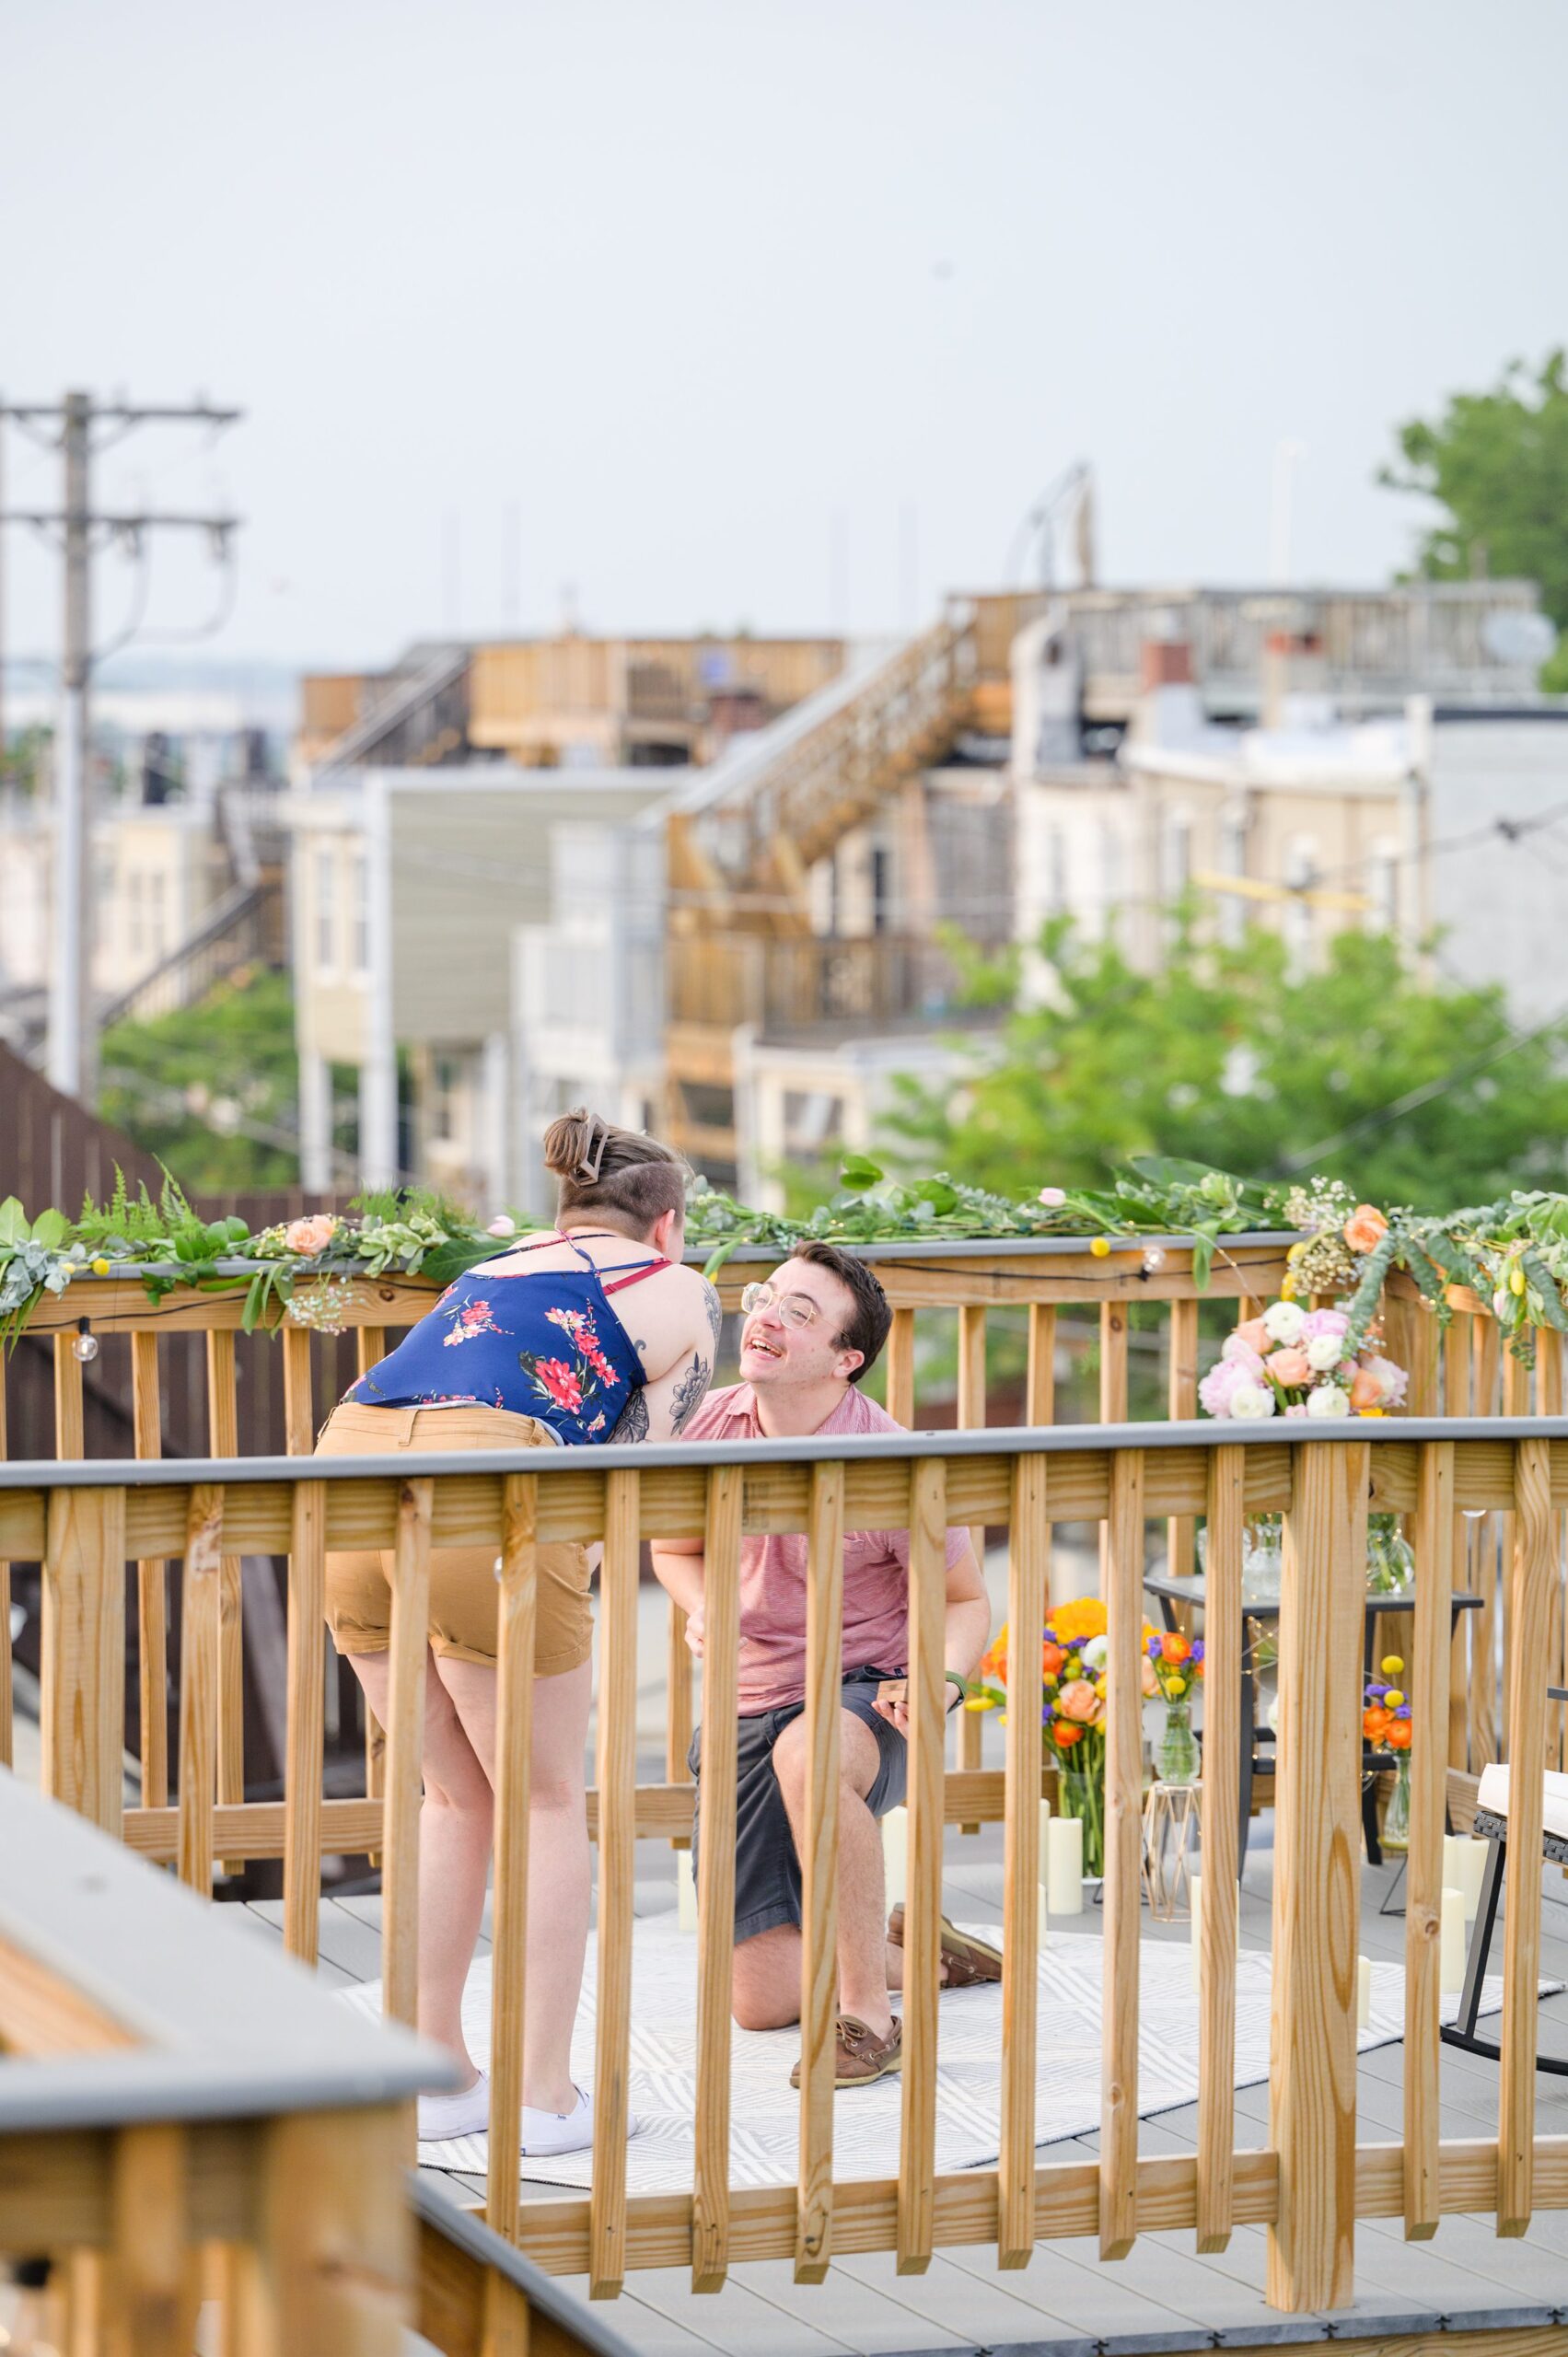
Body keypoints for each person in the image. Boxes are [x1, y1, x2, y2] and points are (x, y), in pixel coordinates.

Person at [316, 1109, 719, 2153]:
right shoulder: (677, 1288)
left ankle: (434, 2077)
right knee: (543, 1800)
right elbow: (649, 1468)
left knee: (451, 1794)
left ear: (567, 1204)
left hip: (338, 1475)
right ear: (665, 1222)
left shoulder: (495, 1266)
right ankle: (543, 2098)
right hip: (493, 1482)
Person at [649, 1240, 998, 2090]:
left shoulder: (893, 1460)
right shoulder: (707, 1424)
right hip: (750, 1701)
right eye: (765, 1298)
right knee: (760, 2002)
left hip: (867, 1698)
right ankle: (914, 1950)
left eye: (798, 1313)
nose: (764, 1317)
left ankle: (869, 2023)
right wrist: (704, 1608)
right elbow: (672, 1548)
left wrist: (941, 1680)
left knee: (809, 1753)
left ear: (847, 1361)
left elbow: (963, 1601)